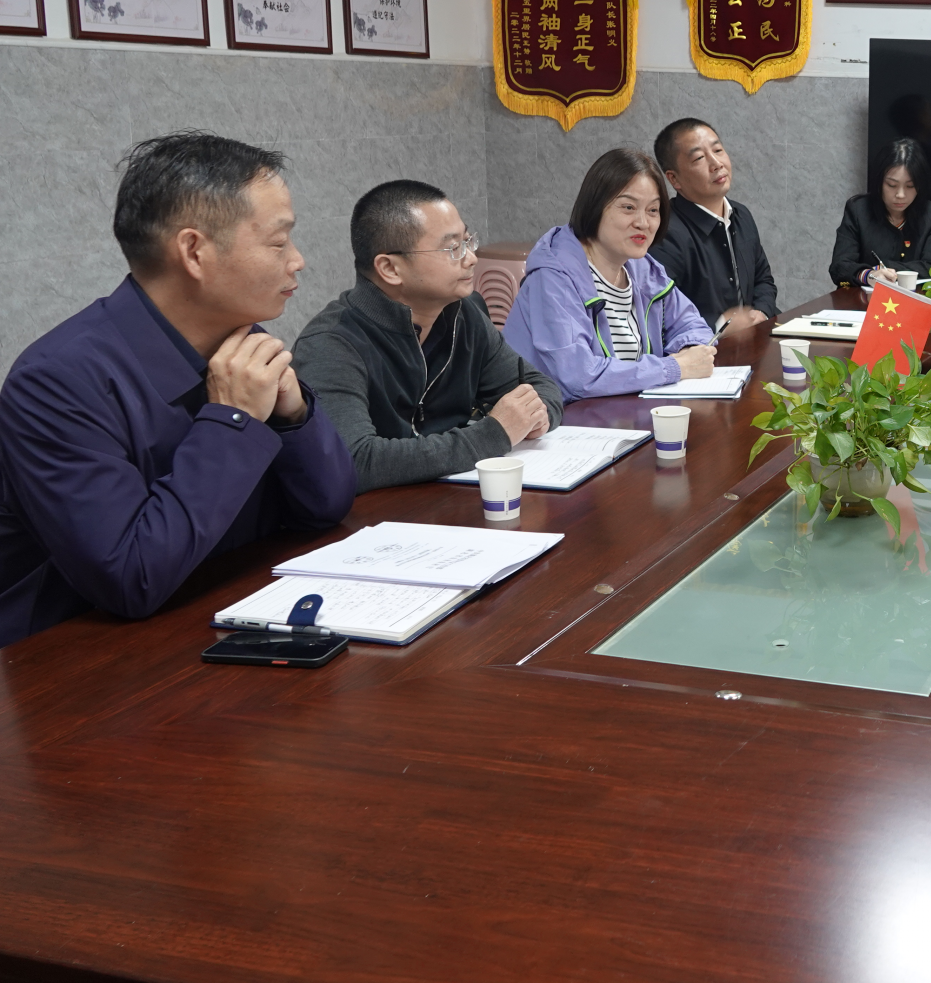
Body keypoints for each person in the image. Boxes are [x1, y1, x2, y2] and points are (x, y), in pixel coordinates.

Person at [0, 133, 354, 647]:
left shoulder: (240, 339)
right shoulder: (57, 382)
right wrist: (233, 420)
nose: (297, 260)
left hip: (221, 611)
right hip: (81, 661)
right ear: (193, 251)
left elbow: (326, 507)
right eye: (279, 242)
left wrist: (293, 415)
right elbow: (130, 577)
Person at [294, 180, 564, 493]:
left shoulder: (464, 313)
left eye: (468, 241)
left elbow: (539, 386)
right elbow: (355, 461)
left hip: (452, 500)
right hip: (380, 515)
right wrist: (495, 432)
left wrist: (537, 416)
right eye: (453, 248)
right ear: (390, 268)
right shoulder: (330, 344)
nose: (471, 258)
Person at [504, 149, 717, 401]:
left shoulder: (642, 268)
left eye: (653, 210)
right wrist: (674, 367)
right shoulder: (554, 278)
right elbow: (579, 377)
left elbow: (692, 324)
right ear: (595, 206)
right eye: (628, 207)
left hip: (621, 412)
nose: (643, 222)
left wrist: (690, 352)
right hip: (557, 418)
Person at [649, 118, 778, 331]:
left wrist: (761, 312)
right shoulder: (665, 232)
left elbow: (763, 279)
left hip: (754, 338)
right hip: (703, 347)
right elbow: (662, 313)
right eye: (699, 158)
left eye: (718, 150)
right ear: (674, 179)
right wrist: (721, 327)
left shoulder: (741, 214)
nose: (717, 163)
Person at [828, 137, 931, 287]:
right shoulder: (858, 210)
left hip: (914, 298)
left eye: (910, 186)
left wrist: (881, 268)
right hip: (863, 298)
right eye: (892, 185)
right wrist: (869, 275)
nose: (900, 195)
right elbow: (839, 267)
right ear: (879, 182)